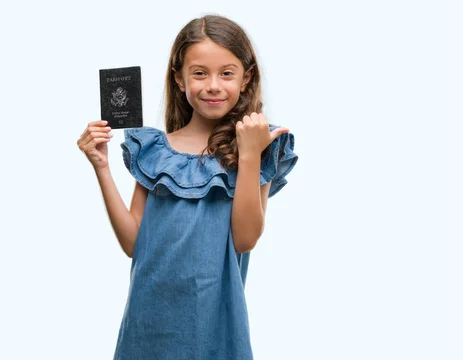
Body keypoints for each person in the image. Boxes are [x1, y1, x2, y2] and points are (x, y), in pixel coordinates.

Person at [76, 14, 298, 360]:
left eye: (227, 73)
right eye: (199, 73)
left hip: (216, 325)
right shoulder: (155, 150)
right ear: (179, 79)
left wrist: (251, 154)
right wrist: (102, 167)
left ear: (246, 78)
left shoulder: (261, 145)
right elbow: (135, 243)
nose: (213, 85)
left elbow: (245, 238)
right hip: (149, 321)